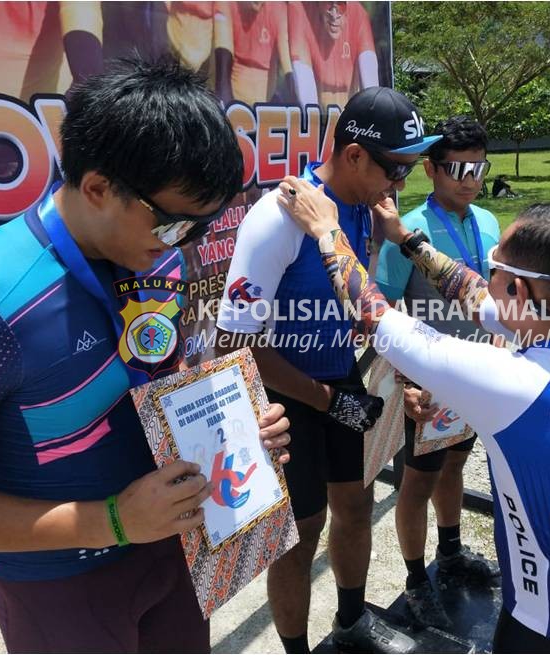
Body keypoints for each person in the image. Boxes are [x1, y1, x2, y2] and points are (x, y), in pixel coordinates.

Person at [0, 56, 291, 654]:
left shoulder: (157, 252)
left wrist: (237, 427)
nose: (188, 245)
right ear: (97, 186)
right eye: (177, 225)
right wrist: (112, 521)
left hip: (173, 550)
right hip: (60, 585)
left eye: (205, 227)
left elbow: (158, 386)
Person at [277, 178, 550, 653]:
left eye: (494, 265)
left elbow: (374, 316)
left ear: (517, 287)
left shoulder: (508, 382)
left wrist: (325, 228)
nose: (485, 272)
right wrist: (406, 238)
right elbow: (473, 291)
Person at [216, 86, 439, 654]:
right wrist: (323, 399)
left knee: (356, 506)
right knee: (300, 532)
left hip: (337, 381)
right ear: (355, 155)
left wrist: (384, 376)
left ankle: (350, 620)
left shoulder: (360, 212)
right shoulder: (280, 217)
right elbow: (233, 345)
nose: (401, 185)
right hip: (284, 395)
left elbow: (358, 309)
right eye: (398, 168)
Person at [374, 115, 501, 628]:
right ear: (430, 169)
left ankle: (449, 553)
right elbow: (380, 310)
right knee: (415, 484)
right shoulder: (407, 232)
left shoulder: (488, 221)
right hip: (427, 384)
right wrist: (406, 380)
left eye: (478, 167)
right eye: (457, 168)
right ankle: (414, 579)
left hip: (475, 374)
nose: (469, 178)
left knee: (455, 468)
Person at [287, 0, 378, 108]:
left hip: (350, 117)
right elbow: (304, 79)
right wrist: (315, 121)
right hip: (317, 115)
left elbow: (371, 84)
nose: (334, 15)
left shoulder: (358, 12)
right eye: (328, 4)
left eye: (341, 5)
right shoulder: (299, 9)